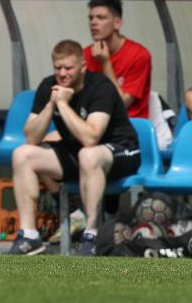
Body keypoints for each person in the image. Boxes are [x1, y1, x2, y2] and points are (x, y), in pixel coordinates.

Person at [8, 40, 140, 256]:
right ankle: (29, 236)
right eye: (58, 68)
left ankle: (92, 234)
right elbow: (31, 137)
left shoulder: (100, 87)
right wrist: (51, 104)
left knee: (88, 154)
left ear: (83, 67)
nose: (62, 74)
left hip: (121, 151)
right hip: (79, 153)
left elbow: (91, 138)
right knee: (22, 154)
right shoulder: (49, 86)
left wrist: (62, 105)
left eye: (68, 68)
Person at [84, 0, 151, 119]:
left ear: (117, 23)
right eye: (91, 18)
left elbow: (121, 104)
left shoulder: (139, 55)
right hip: (93, 123)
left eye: (100, 17)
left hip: (128, 126)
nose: (93, 22)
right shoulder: (85, 54)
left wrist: (105, 63)